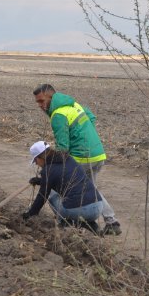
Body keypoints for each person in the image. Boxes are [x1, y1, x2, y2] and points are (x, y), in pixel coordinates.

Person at [32, 84, 121, 235]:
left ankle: (65, 222)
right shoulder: (73, 104)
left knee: (61, 188)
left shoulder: (58, 115)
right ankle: (109, 222)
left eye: (42, 101)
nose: (40, 106)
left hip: (82, 156)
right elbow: (91, 118)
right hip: (98, 152)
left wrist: (48, 169)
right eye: (38, 103)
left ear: (51, 97)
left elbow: (63, 148)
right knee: (89, 188)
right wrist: (84, 136)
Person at [22, 141, 103, 232]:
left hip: (81, 210)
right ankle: (91, 224)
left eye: (35, 160)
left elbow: (42, 196)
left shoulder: (48, 170)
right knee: (70, 195)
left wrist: (31, 214)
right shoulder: (68, 158)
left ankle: (65, 222)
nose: (36, 164)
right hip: (98, 206)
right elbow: (63, 178)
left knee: (51, 194)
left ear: (40, 157)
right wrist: (41, 181)